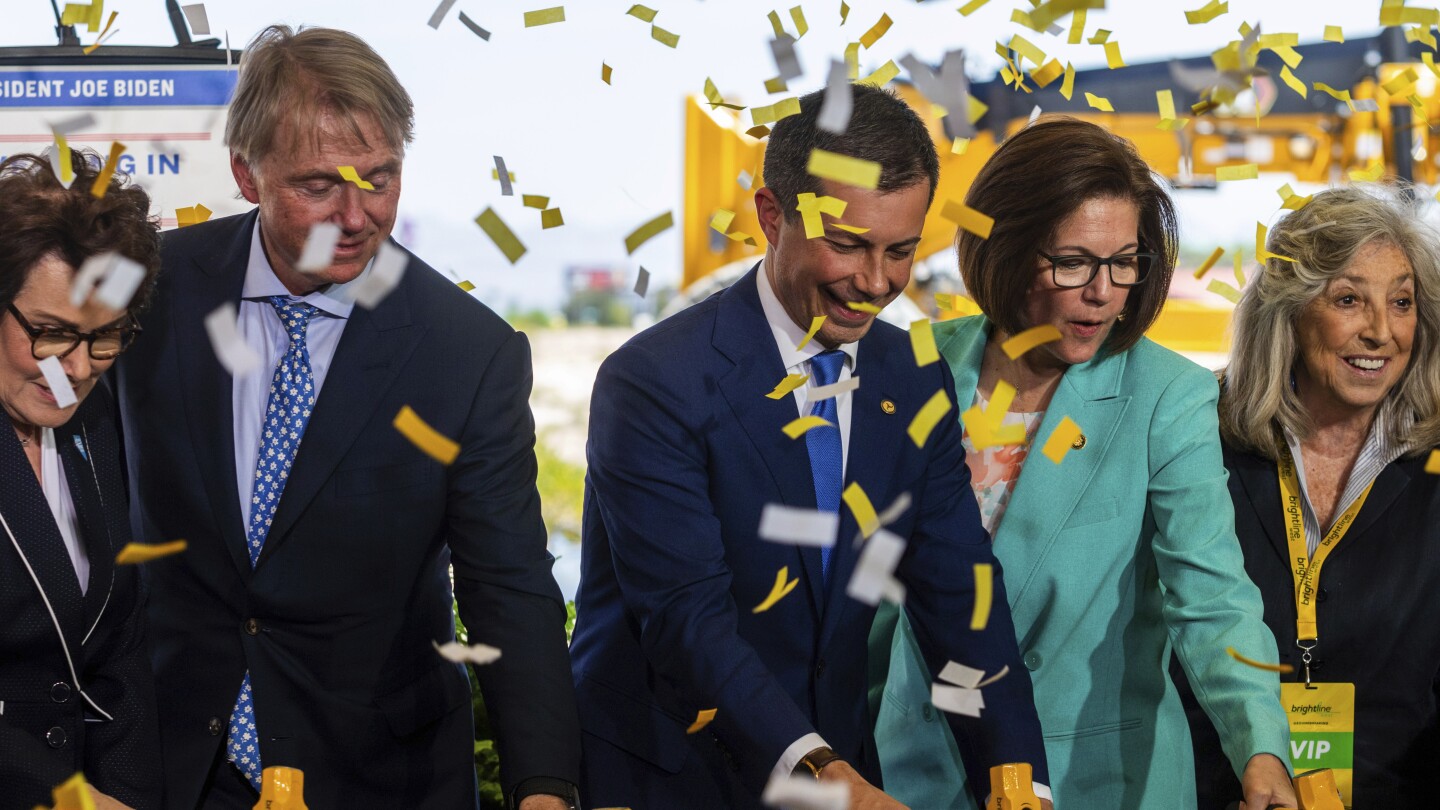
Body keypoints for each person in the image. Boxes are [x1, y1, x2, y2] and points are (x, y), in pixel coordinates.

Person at [115, 26, 580, 809]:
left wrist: (544, 785)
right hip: (166, 763)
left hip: (379, 774)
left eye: (381, 178)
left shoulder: (466, 354)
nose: (357, 215)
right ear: (245, 172)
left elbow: (510, 584)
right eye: (318, 186)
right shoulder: (151, 293)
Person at [569, 83, 1050, 810]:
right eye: (848, 244)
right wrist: (820, 773)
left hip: (841, 774)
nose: (875, 282)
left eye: (902, 251)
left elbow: (960, 598)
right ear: (772, 216)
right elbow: (687, 621)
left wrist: (1019, 783)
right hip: (672, 780)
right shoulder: (653, 382)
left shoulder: (914, 377)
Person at [870, 117, 1297, 809]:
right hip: (914, 774)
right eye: (1072, 262)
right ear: (1003, 249)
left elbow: (1213, 597)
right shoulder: (910, 362)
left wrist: (1261, 744)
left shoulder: (1169, 397)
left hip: (1094, 783)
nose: (1104, 291)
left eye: (1124, 262)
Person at [1176, 185, 1440, 807]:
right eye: (1349, 299)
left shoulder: (1434, 466)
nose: (1381, 331)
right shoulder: (1194, 439)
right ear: (1288, 313)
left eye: (1401, 302)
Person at [0, 151, 162, 810]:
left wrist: (122, 794)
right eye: (49, 335)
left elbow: (117, 639)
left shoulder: (96, 422)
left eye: (104, 339)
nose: (73, 370)